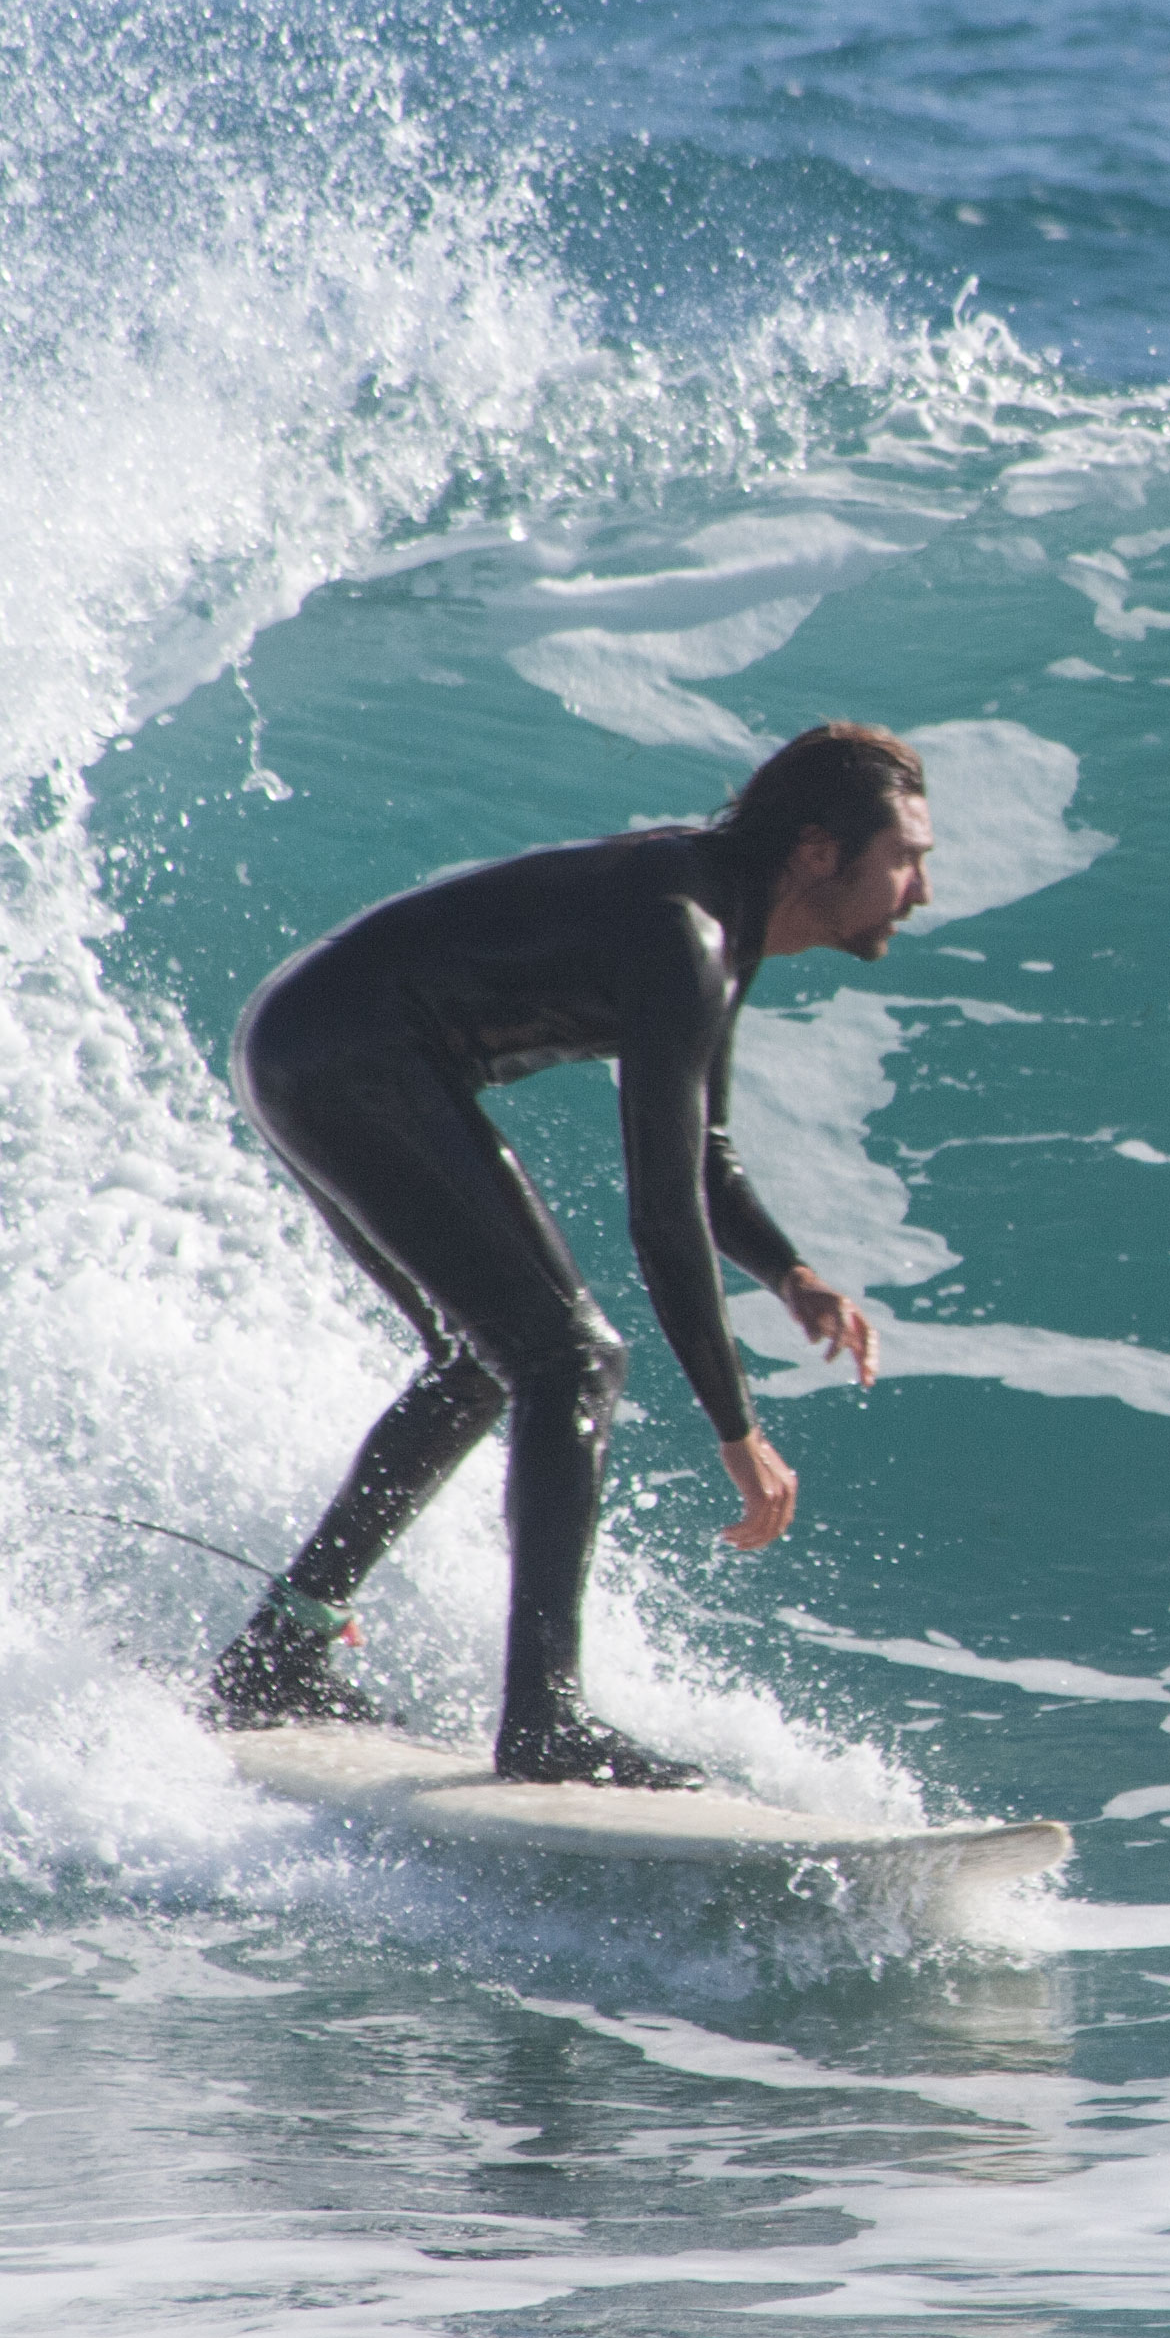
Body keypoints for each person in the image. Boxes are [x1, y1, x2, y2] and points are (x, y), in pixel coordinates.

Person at [206, 722, 936, 1787]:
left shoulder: (714, 923)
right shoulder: (685, 931)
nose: (920, 889)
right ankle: (543, 1719)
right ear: (820, 851)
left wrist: (791, 1273)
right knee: (570, 1359)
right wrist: (738, 1431)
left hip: (309, 1040)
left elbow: (702, 1161)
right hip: (348, 1050)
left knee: (487, 1358)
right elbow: (662, 1218)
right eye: (906, 857)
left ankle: (282, 1647)